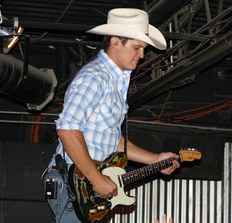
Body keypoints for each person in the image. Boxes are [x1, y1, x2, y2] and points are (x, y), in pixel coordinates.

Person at [43, 8, 180, 223]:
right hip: (75, 182)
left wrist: (155, 160)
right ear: (115, 42)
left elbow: (113, 141)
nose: (142, 55)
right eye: (137, 47)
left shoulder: (116, 82)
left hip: (87, 185)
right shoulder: (95, 77)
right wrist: (96, 178)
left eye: (143, 49)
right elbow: (67, 129)